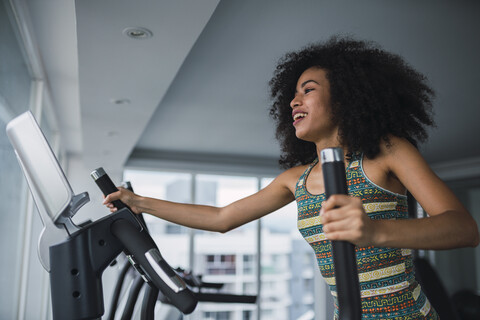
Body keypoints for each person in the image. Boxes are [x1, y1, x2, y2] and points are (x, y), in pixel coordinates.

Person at [103, 36, 479, 319]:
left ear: (346, 98)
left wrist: (374, 230)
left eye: (308, 90)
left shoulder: (387, 151)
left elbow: (463, 228)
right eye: (293, 94)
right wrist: (139, 202)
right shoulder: (295, 180)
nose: (294, 101)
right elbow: (220, 219)